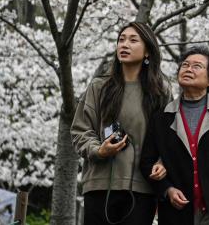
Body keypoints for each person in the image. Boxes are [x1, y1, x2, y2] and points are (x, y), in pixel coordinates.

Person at [71, 22, 171, 225]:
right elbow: (80, 129)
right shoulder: (99, 86)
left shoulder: (160, 91)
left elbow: (169, 136)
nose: (124, 44)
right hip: (99, 185)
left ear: (147, 52)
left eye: (133, 40)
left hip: (142, 189)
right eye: (121, 39)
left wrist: (162, 162)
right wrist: (99, 150)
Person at [140, 46, 209, 225]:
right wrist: (167, 189)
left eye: (197, 66)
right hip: (176, 212)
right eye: (185, 65)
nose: (188, 69)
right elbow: (146, 161)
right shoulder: (162, 117)